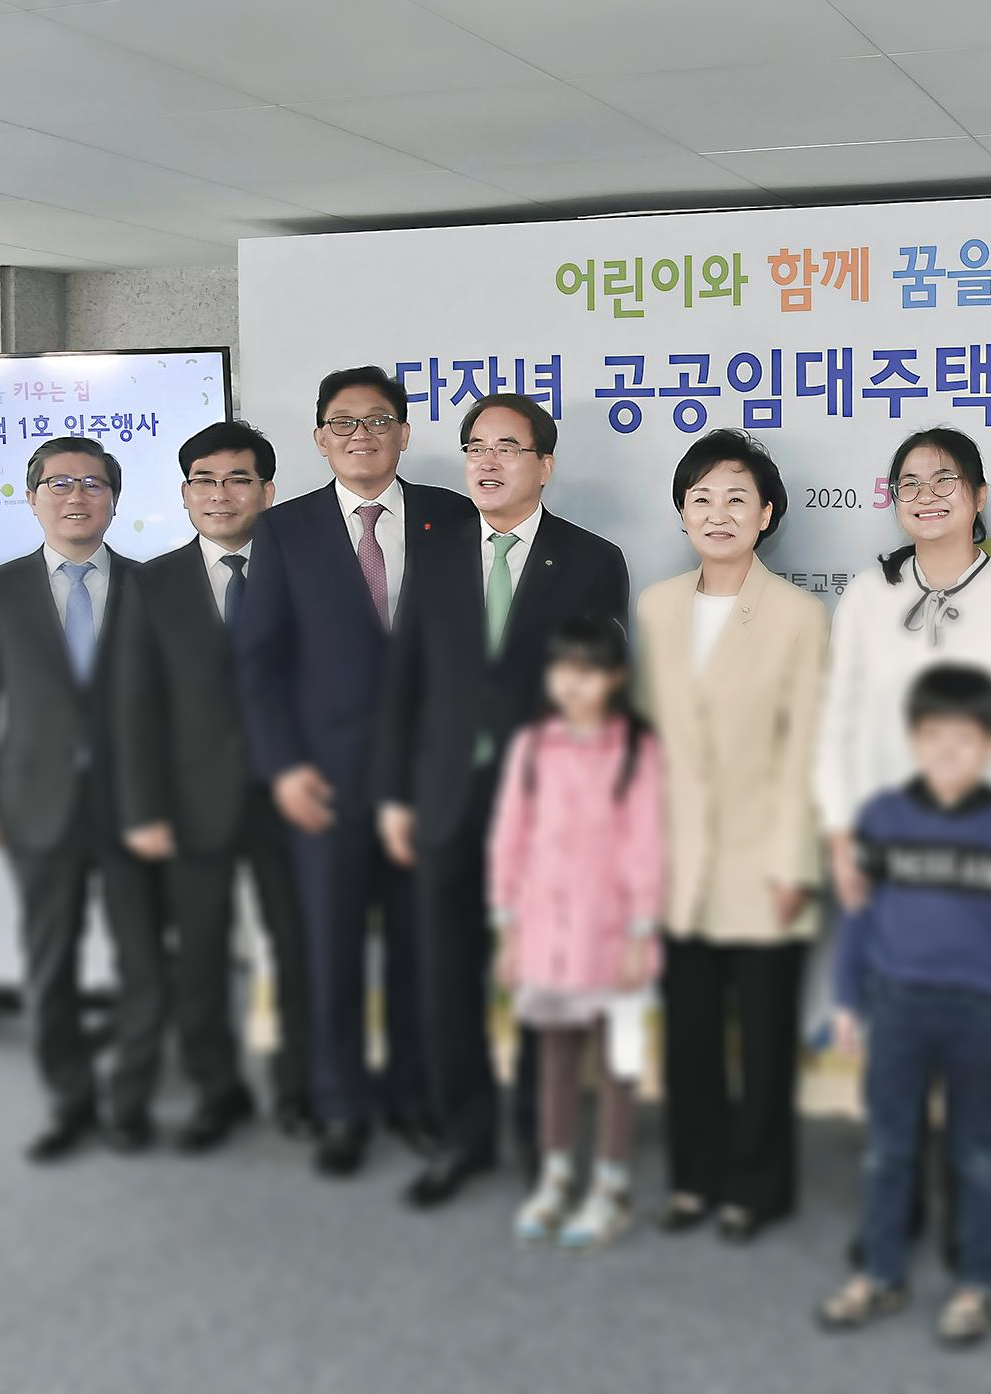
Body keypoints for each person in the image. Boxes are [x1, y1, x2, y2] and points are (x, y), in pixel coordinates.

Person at [815, 427, 991, 1267]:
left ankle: (970, 1230)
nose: (926, 496)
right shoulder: (866, 596)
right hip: (892, 845)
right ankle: (896, 1220)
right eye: (910, 483)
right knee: (895, 1033)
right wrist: (839, 827)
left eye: (945, 479)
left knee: (971, 1038)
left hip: (986, 847)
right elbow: (839, 719)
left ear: (979, 496)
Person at [375, 392, 629, 1211]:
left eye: (507, 448)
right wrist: (395, 795)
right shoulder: (436, 552)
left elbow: (601, 699)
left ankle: (539, 1141)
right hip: (444, 799)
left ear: (544, 465)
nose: (487, 462)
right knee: (446, 977)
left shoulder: (592, 561)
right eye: (476, 447)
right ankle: (464, 1136)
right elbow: (405, 679)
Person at [234, 365, 476, 1179]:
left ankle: (411, 1099)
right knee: (330, 952)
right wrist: (282, 768)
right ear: (319, 438)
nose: (361, 435)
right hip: (324, 786)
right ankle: (341, 1106)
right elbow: (259, 663)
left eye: (378, 420)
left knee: (418, 951)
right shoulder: (284, 530)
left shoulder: (453, 517)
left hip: (424, 783)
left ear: (404, 433)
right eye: (343, 422)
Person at [635, 429, 827, 1243]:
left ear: (767, 514)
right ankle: (694, 1178)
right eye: (702, 498)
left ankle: (757, 1186)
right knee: (689, 1035)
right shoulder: (655, 608)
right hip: (677, 859)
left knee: (765, 1037)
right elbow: (643, 741)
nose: (718, 513)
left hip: (763, 859)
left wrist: (794, 863)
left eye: (737, 498)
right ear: (682, 512)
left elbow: (807, 745)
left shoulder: (799, 614)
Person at [0, 436, 166, 1160]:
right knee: (49, 965)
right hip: (37, 805)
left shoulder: (153, 587)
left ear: (115, 500)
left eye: (94, 484)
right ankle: (70, 1104)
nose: (78, 496)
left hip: (136, 807)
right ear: (32, 497)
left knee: (144, 963)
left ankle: (130, 1104)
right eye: (60, 483)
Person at [816, 664, 991, 1349]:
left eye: (965, 738)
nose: (948, 750)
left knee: (975, 1153)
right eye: (934, 735)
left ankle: (979, 1283)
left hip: (979, 1014)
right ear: (912, 739)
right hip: (896, 1007)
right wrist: (846, 1000)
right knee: (888, 1150)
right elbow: (857, 917)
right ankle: (882, 1274)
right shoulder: (881, 818)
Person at [113, 421, 314, 1152]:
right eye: (204, 480)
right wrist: (142, 809)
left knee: (302, 949)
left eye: (237, 479)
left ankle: (302, 1090)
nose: (220, 494)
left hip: (293, 799)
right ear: (184, 492)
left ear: (268, 490)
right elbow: (132, 704)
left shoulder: (310, 573)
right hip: (189, 803)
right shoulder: (148, 583)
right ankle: (215, 1091)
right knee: (197, 956)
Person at [490, 616, 666, 1253]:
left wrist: (640, 934)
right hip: (547, 937)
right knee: (555, 1060)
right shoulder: (532, 748)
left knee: (619, 1064)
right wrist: (508, 932)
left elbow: (647, 846)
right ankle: (557, 1173)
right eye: (563, 669)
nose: (572, 684)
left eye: (588, 671)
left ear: (616, 678)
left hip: (616, 939)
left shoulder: (637, 750)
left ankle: (611, 1184)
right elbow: (508, 842)